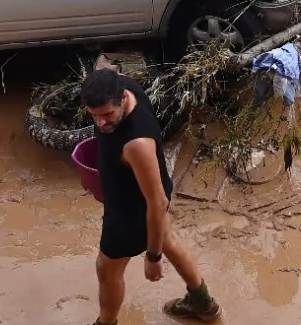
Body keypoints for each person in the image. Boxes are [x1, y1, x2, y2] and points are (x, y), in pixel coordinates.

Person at [81, 68, 221, 325]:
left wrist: (152, 258)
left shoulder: (136, 144)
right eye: (94, 116)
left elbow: (157, 203)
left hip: (132, 213)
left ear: (123, 98)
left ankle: (106, 323)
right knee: (168, 237)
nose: (101, 123)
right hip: (144, 191)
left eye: (107, 115)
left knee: (107, 270)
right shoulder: (125, 85)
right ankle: (202, 302)